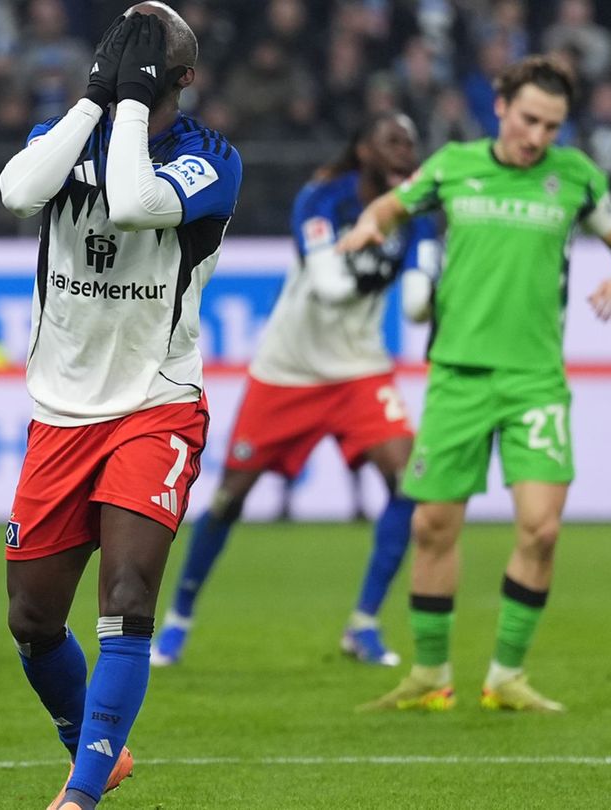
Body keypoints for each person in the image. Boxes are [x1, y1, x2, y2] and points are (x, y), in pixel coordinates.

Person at [343, 56, 611, 713]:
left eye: (553, 126)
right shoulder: (454, 165)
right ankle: (430, 675)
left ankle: (506, 674)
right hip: (457, 376)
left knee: (541, 530)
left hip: (536, 380)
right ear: (501, 105)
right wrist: (372, 223)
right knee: (432, 525)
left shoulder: (576, 177)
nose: (538, 137)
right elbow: (394, 204)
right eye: (530, 119)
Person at [0, 7, 242, 809]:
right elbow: (14, 190)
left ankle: (84, 793)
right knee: (32, 622)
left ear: (182, 78)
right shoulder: (67, 135)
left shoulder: (213, 160)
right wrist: (97, 100)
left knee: (129, 599)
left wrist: (132, 108)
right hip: (60, 411)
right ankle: (96, 745)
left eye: (139, 60)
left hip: (155, 403)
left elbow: (137, 203)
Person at [150, 113, 439, 669]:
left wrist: (428, 280)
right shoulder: (321, 197)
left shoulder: (416, 211)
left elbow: (417, 301)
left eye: (411, 142)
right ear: (363, 149)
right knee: (231, 498)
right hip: (288, 370)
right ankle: (179, 622)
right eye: (393, 142)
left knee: (410, 485)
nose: (406, 151)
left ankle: (364, 624)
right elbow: (328, 288)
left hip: (360, 369)